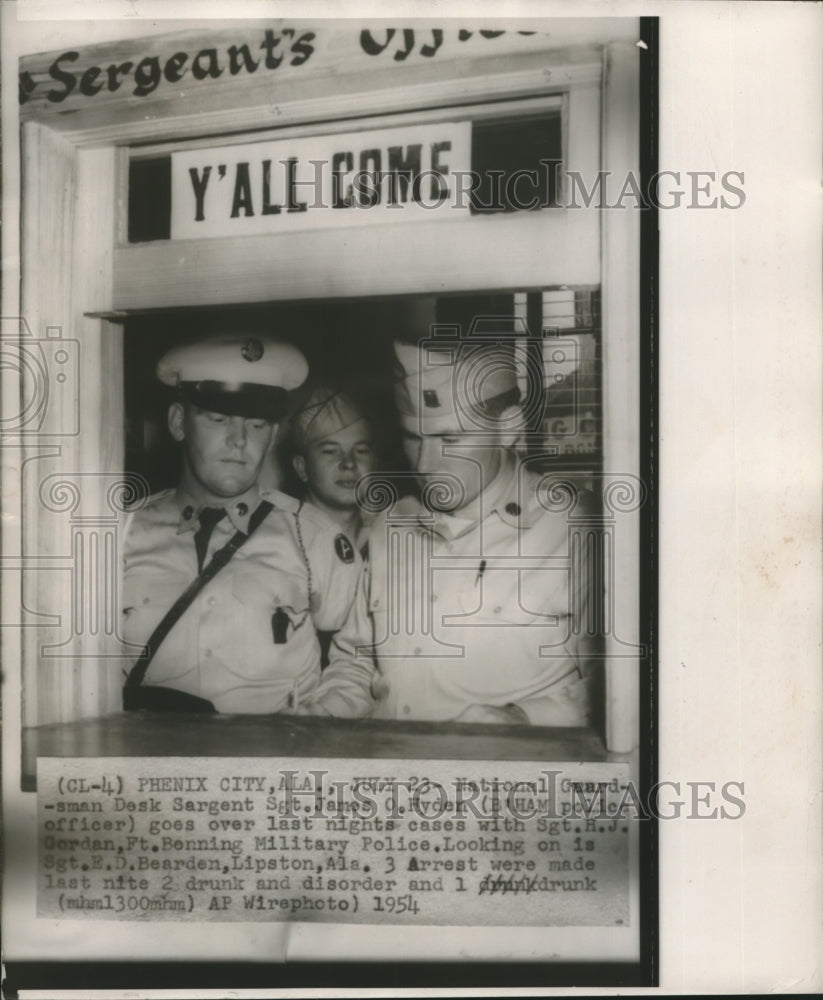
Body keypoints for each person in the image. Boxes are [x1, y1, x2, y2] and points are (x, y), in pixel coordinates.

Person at [305, 336, 596, 726]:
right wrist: (325, 711)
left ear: (508, 428)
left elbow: (615, 685)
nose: (425, 463)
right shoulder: (391, 527)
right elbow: (356, 660)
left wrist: (522, 719)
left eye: (450, 439)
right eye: (413, 437)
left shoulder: (574, 526)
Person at [121, 332, 362, 714]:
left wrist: (306, 734)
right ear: (179, 422)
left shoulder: (312, 537)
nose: (238, 441)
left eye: (256, 425)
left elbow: (354, 665)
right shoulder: (121, 534)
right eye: (218, 419)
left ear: (274, 436)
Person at [289, 386, 376, 554]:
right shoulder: (281, 542)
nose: (349, 463)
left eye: (361, 451)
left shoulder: (389, 536)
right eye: (330, 451)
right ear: (302, 468)